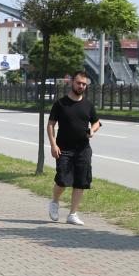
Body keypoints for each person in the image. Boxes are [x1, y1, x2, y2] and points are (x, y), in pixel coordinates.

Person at [47, 70, 100, 226]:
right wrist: (53, 144)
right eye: (79, 83)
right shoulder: (60, 103)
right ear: (72, 83)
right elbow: (50, 125)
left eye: (84, 84)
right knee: (63, 181)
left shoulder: (88, 105)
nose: (81, 86)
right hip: (63, 148)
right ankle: (55, 202)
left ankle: (72, 214)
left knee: (80, 181)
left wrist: (92, 130)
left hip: (83, 149)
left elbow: (96, 122)